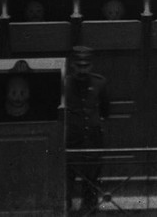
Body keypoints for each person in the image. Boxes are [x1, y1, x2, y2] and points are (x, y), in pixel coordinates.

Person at [64, 46, 109, 215]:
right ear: (72, 66)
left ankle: (90, 212)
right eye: (78, 66)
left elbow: (105, 110)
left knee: (91, 182)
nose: (82, 70)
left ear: (91, 66)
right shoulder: (64, 83)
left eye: (86, 66)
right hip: (71, 142)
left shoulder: (99, 83)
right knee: (67, 180)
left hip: (92, 141)